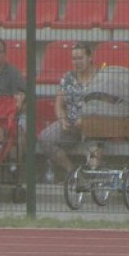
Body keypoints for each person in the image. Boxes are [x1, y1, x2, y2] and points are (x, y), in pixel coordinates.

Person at [39, 41, 97, 179]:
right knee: (44, 138)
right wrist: (63, 120)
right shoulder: (68, 78)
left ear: (89, 58)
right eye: (74, 59)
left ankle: (93, 177)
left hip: (93, 124)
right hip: (70, 124)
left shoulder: (99, 77)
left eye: (80, 58)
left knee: (96, 145)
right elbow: (59, 104)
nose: (77, 62)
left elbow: (103, 104)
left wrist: (84, 120)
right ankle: (72, 171)